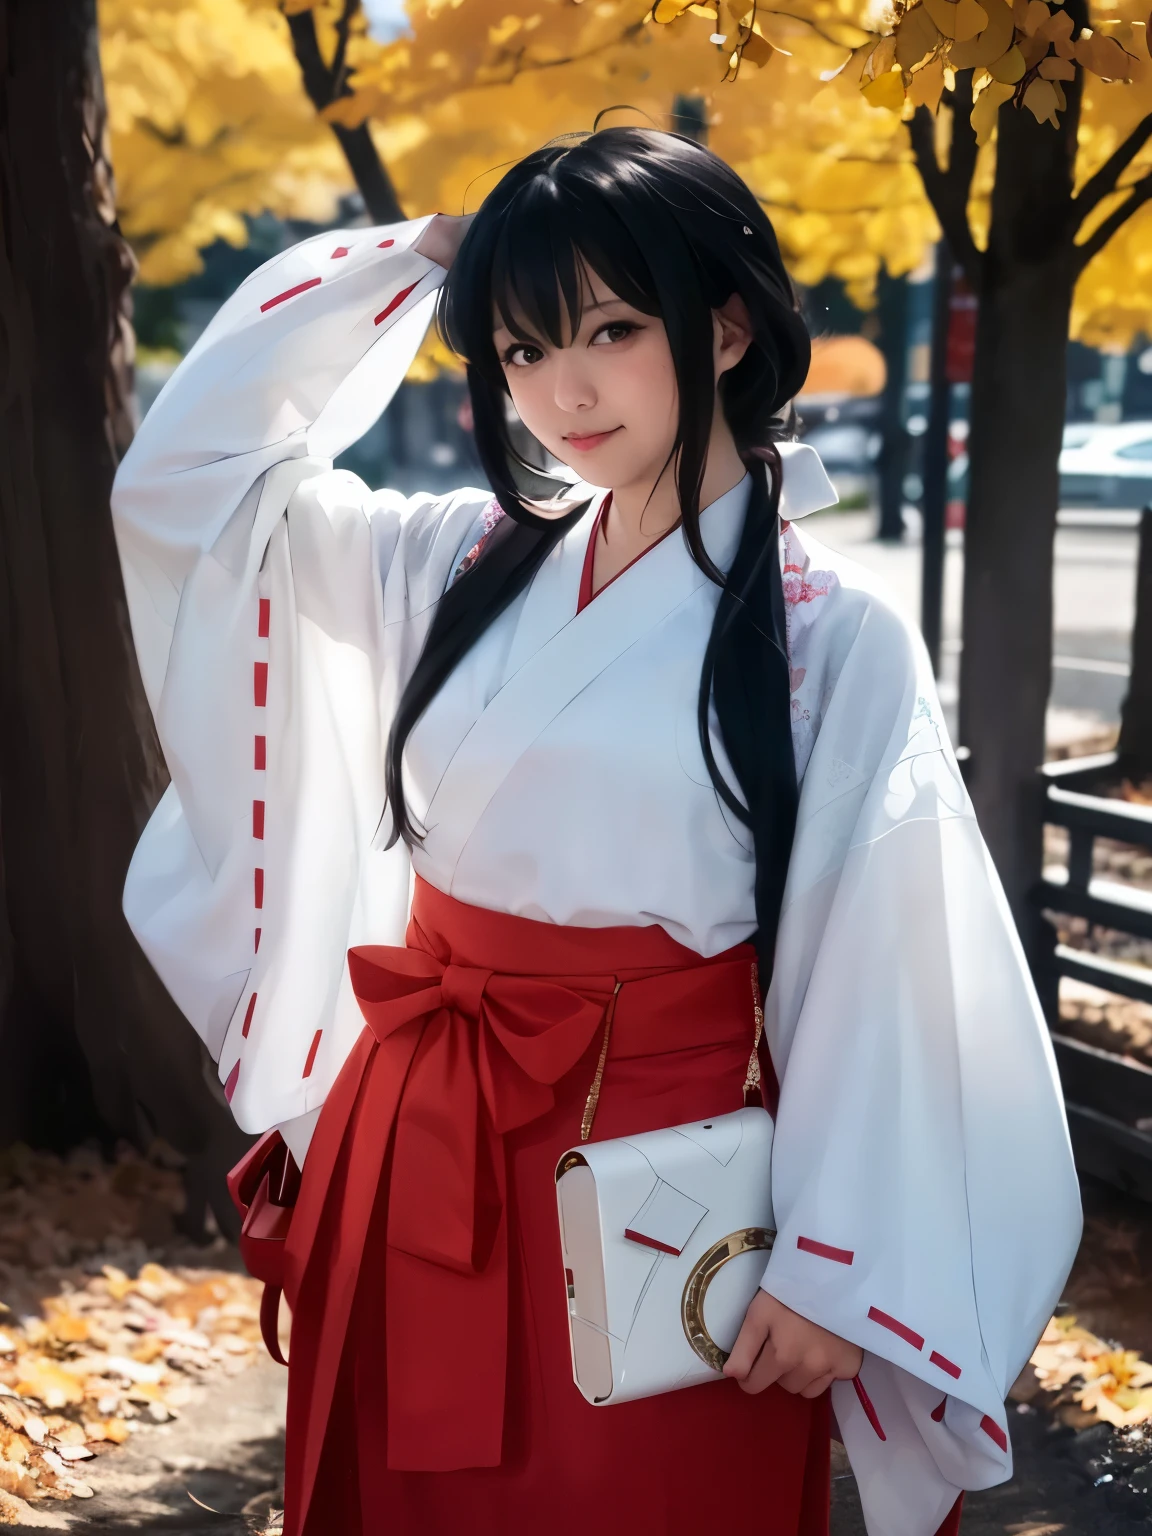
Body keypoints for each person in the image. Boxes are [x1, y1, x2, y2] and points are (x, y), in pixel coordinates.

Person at [111, 128, 1081, 1536]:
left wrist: (829, 1259)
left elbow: (895, 961)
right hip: (421, 1129)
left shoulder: (832, 638)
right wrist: (407, 262)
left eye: (611, 331)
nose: (560, 391)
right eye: (518, 349)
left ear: (728, 325)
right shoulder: (458, 559)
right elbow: (195, 483)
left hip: (666, 1191)